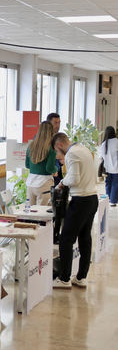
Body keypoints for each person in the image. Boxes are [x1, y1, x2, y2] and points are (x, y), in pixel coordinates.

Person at [51, 132, 98, 289]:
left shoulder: (71, 154)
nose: (58, 157)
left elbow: (74, 179)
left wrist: (61, 183)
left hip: (81, 201)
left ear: (59, 146)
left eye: (57, 153)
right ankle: (81, 277)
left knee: (66, 239)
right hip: (92, 198)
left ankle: (64, 278)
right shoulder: (83, 149)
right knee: (85, 238)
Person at [25, 121, 58, 205]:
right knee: (42, 213)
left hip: (30, 183)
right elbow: (49, 168)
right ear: (51, 132)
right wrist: (56, 169)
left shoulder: (31, 146)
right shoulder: (51, 148)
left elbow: (27, 165)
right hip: (44, 183)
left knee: (30, 212)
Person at [99, 125, 118, 206]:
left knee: (108, 183)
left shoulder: (104, 143)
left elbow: (101, 157)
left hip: (107, 168)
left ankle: (108, 199)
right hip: (116, 167)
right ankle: (113, 201)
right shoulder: (116, 141)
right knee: (115, 183)